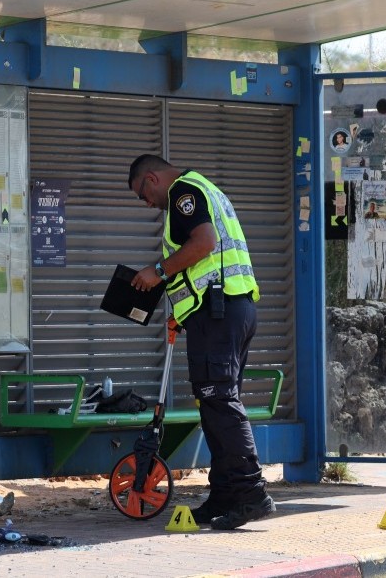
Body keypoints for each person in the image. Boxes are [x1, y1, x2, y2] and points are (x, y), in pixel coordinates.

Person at [126, 154, 274, 530]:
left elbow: (204, 243)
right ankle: (226, 494)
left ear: (153, 178)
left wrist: (157, 272)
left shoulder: (184, 193)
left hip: (219, 313)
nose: (146, 203)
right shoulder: (207, 189)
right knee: (214, 405)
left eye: (142, 194)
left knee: (220, 402)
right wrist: (182, 309)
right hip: (227, 310)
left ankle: (252, 493)